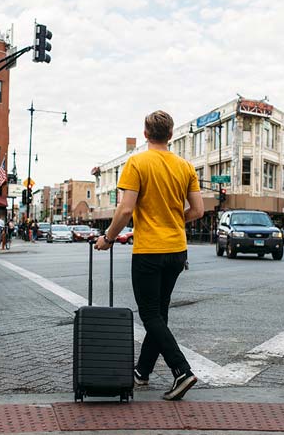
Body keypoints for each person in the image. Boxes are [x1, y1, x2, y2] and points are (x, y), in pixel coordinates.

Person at [94, 110, 204, 401]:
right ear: (170, 135)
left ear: (145, 134)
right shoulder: (185, 167)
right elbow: (198, 211)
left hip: (149, 251)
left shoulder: (137, 162)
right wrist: (174, 221)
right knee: (160, 314)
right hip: (177, 251)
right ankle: (142, 372)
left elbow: (126, 209)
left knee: (150, 315)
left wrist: (108, 238)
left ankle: (182, 370)